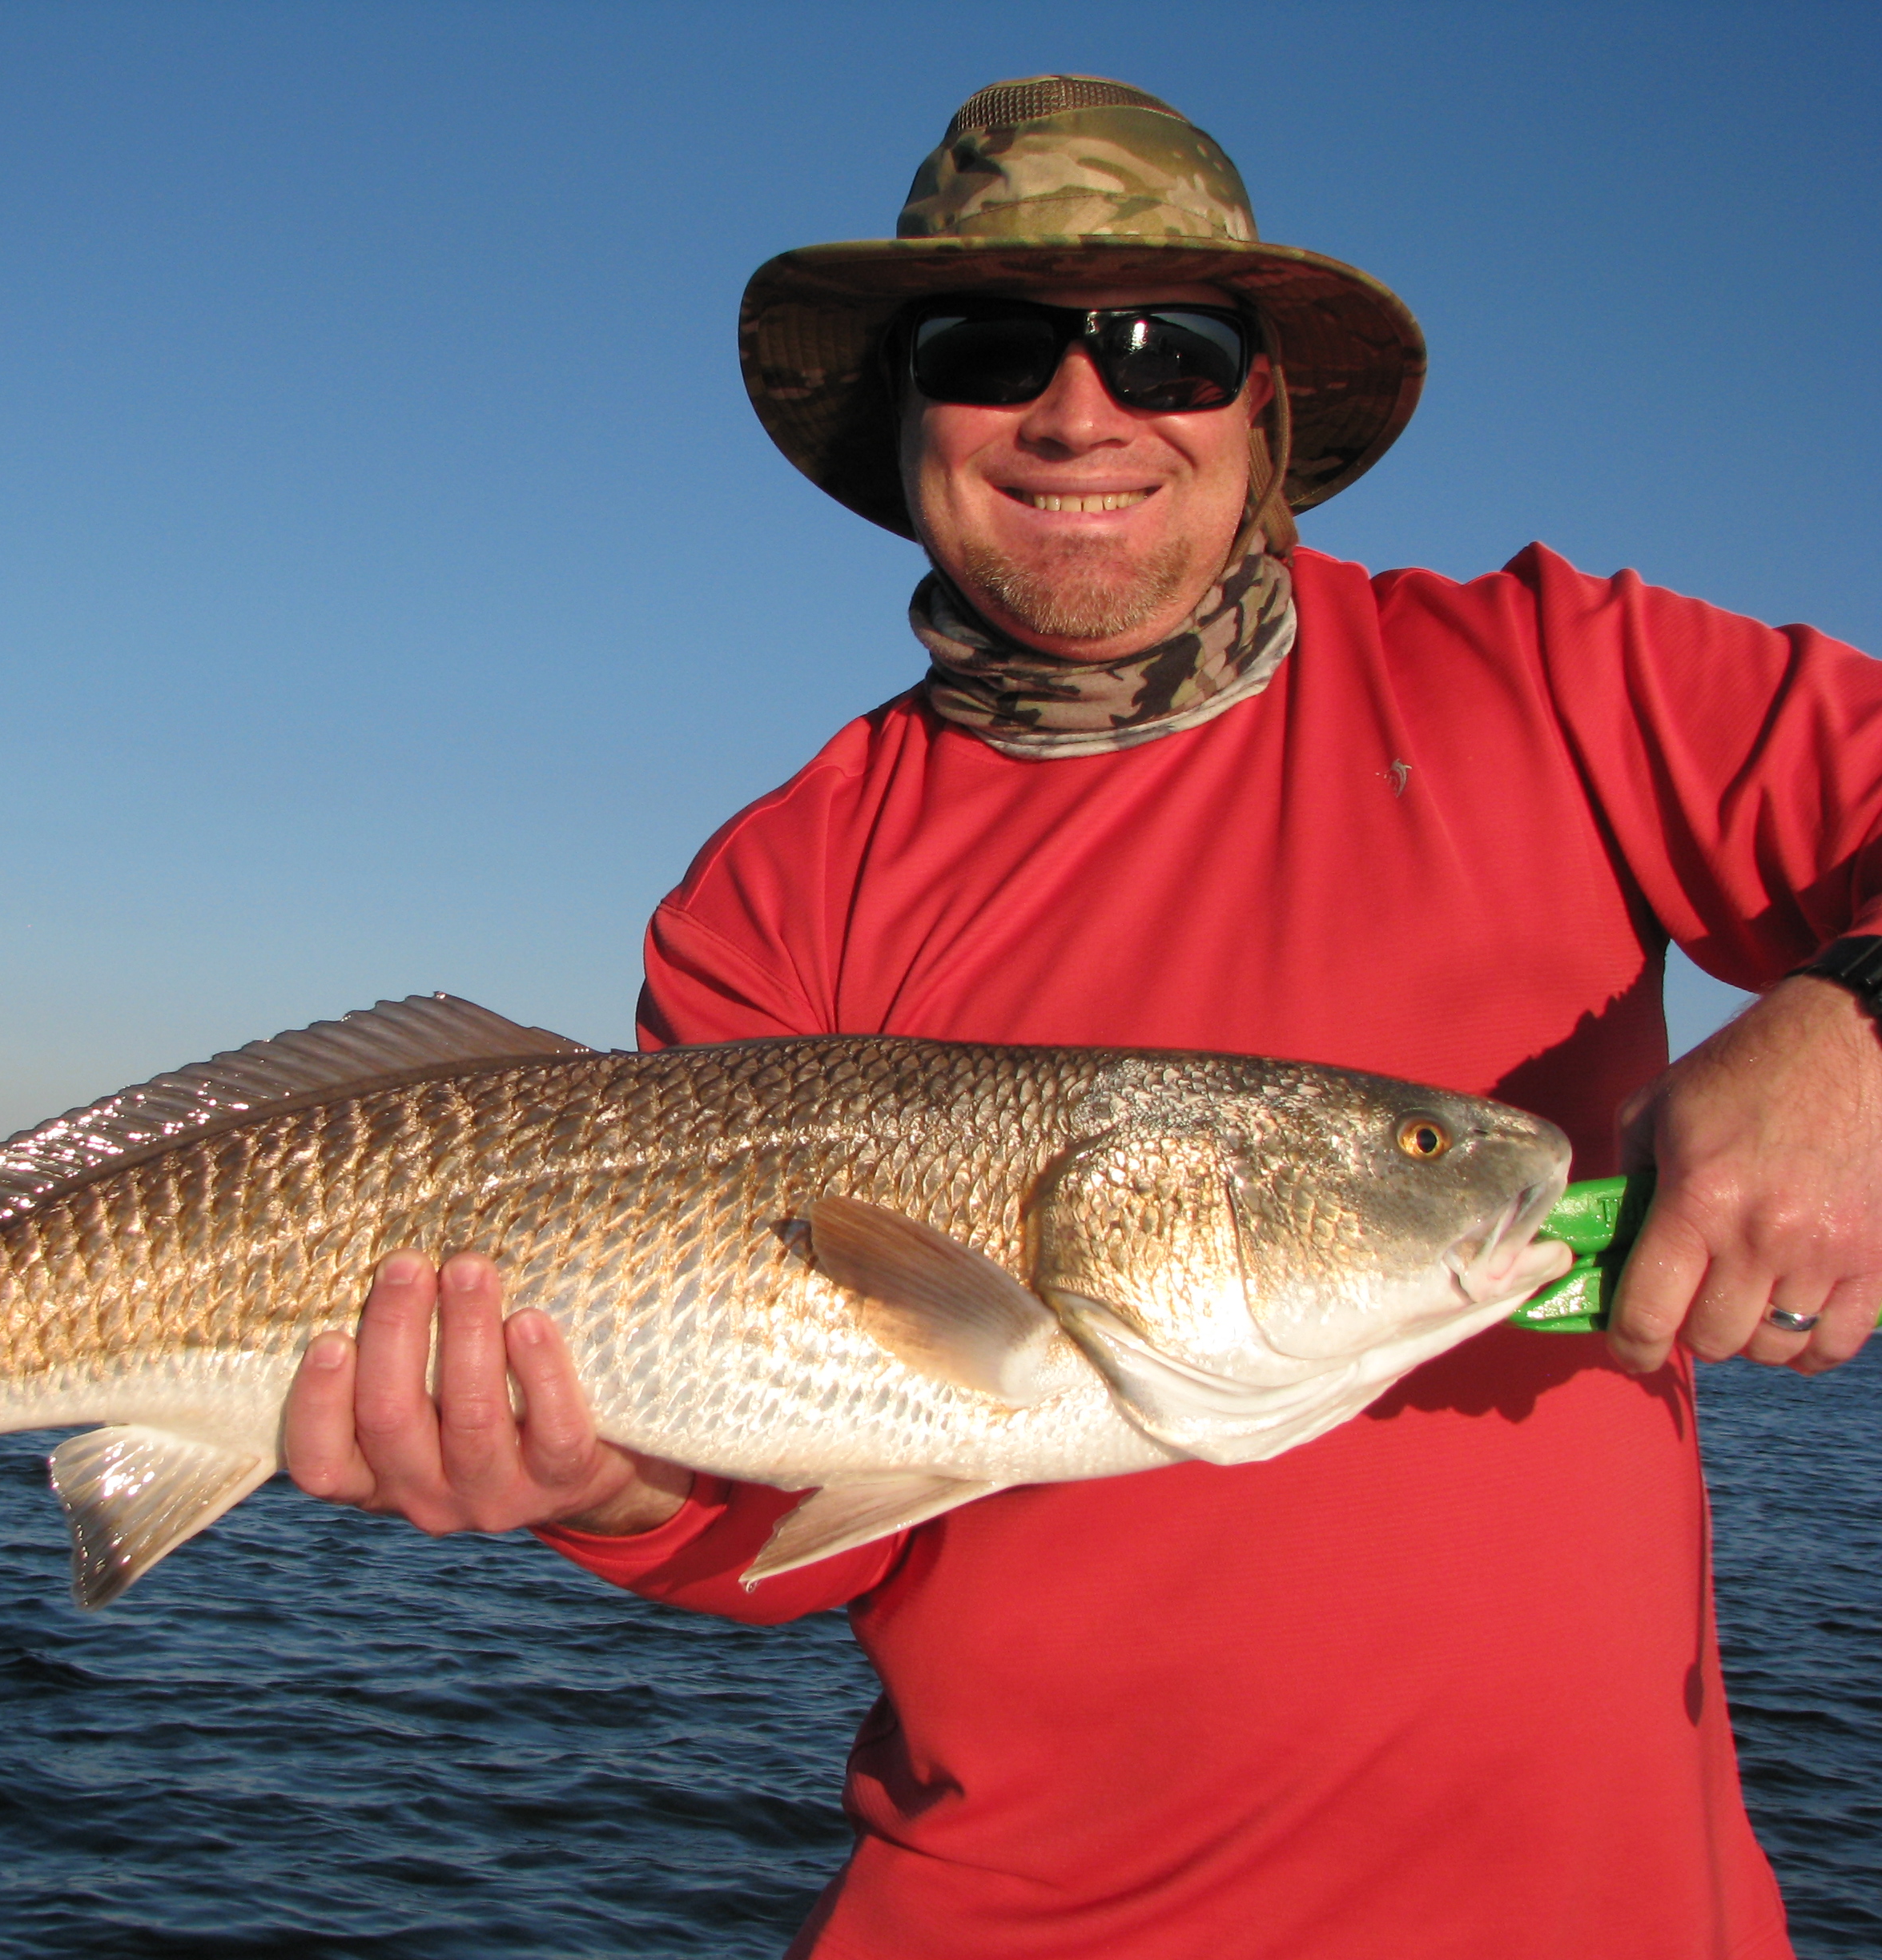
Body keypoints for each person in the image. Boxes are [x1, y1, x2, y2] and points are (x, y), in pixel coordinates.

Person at [282, 76, 1882, 1959]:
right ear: (907, 424)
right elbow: (811, 1520)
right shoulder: (779, 892)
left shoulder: (1562, 676)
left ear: (1263, 412)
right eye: (989, 349)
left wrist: (1853, 1030)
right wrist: (601, 1484)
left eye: (1167, 350)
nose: (1078, 410)